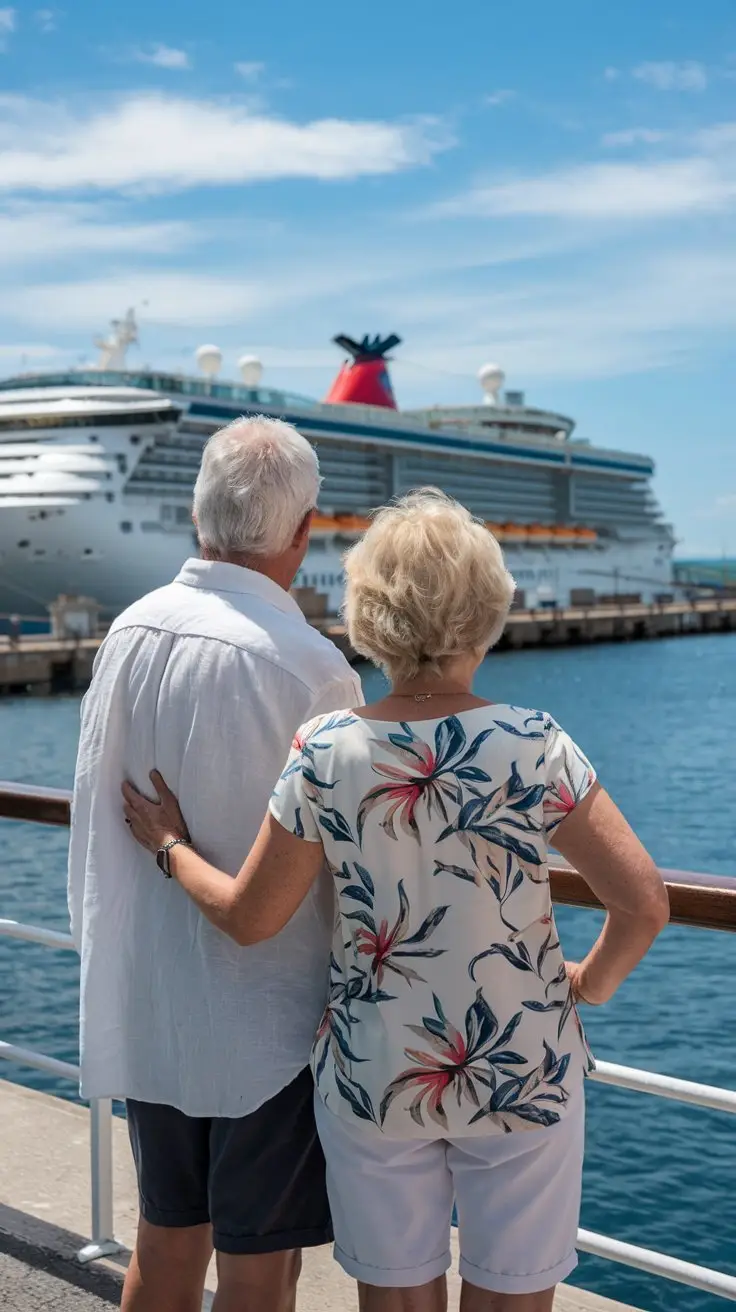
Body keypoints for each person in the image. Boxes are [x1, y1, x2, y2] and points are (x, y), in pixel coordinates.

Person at [122, 488, 670, 1312]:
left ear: (369, 615)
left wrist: (169, 846)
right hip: (524, 1062)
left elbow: (250, 917)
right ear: (489, 611)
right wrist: (587, 984)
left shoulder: (328, 749)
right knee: (514, 1300)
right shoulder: (535, 742)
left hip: (376, 1067)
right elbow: (643, 904)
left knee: (398, 1301)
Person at [68, 416, 362, 1312]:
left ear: (197, 513)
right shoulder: (313, 670)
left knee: (164, 1245)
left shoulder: (128, 633)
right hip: (266, 1026)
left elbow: (90, 810)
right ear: (305, 531)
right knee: (260, 1270)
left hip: (152, 1001)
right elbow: (345, 868)